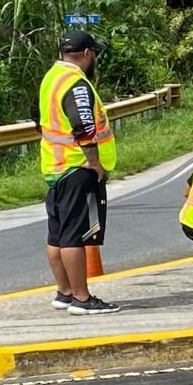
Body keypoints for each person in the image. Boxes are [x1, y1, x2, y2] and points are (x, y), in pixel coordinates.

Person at [39, 30, 120, 315]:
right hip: (78, 167)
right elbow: (83, 126)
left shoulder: (51, 77)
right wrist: (94, 162)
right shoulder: (76, 83)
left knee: (57, 235)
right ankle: (82, 299)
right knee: (75, 235)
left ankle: (64, 292)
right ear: (87, 53)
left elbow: (39, 118)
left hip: (55, 167)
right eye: (94, 53)